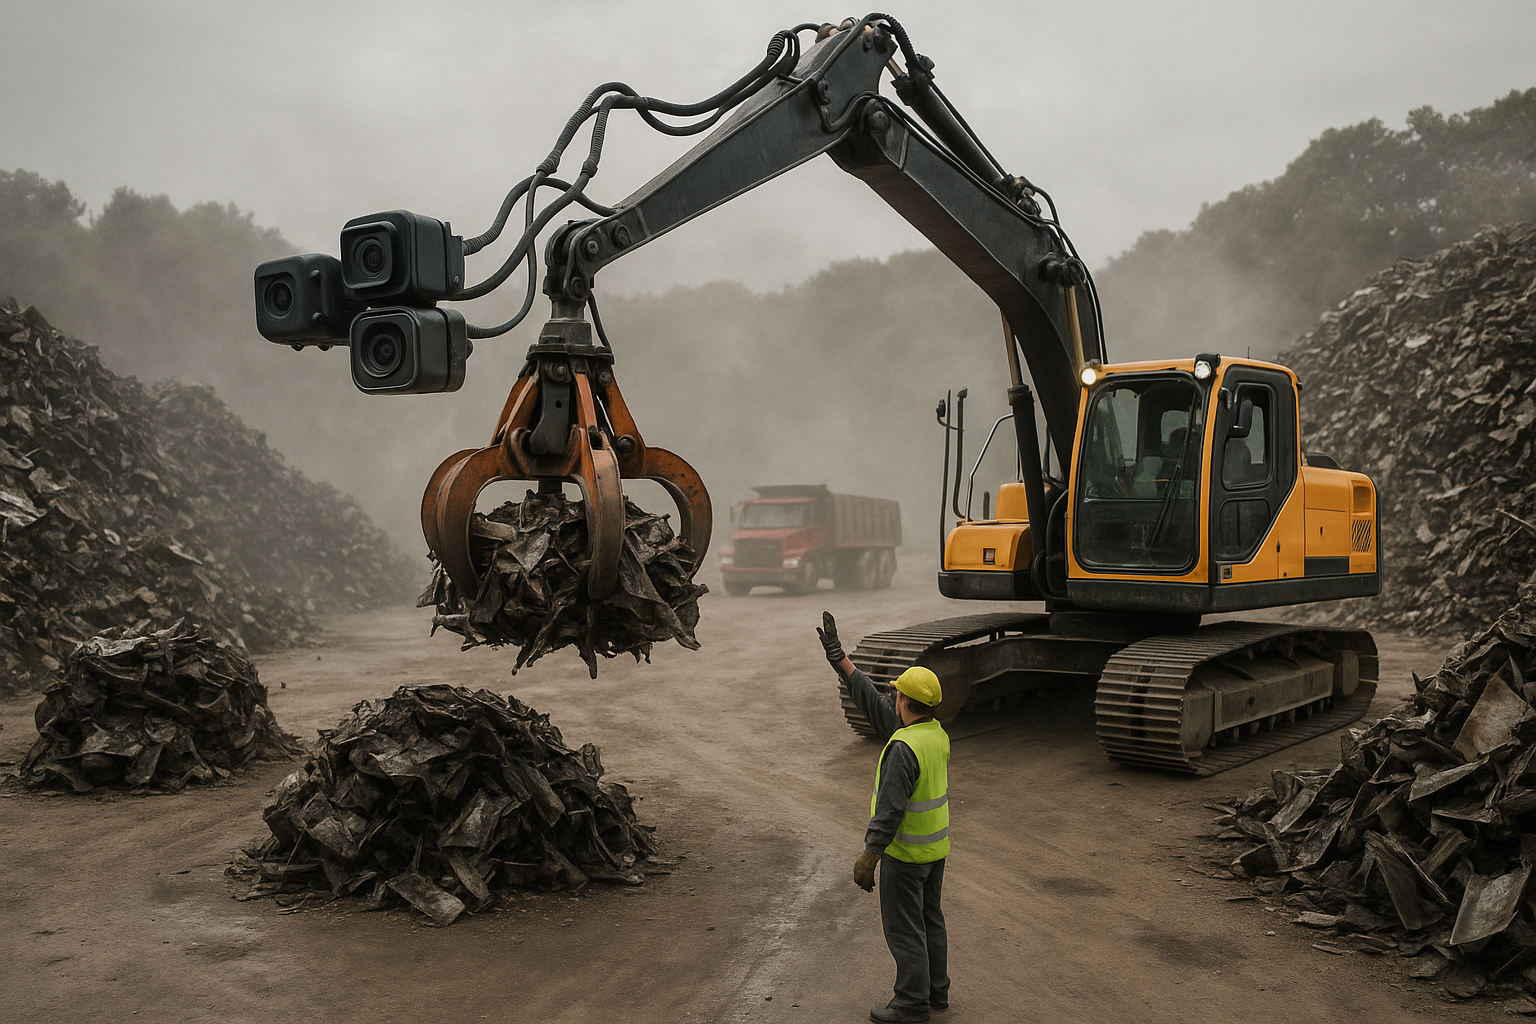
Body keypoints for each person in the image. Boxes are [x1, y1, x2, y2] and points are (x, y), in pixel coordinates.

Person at [818, 611, 950, 1024]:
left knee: (905, 929)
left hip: (906, 856)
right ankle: (935, 993)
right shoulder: (932, 733)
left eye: (896, 694)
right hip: (934, 852)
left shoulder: (901, 749)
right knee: (930, 921)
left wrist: (870, 854)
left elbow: (890, 810)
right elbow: (874, 703)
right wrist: (841, 661)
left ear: (905, 702)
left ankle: (910, 1005)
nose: (891, 697)